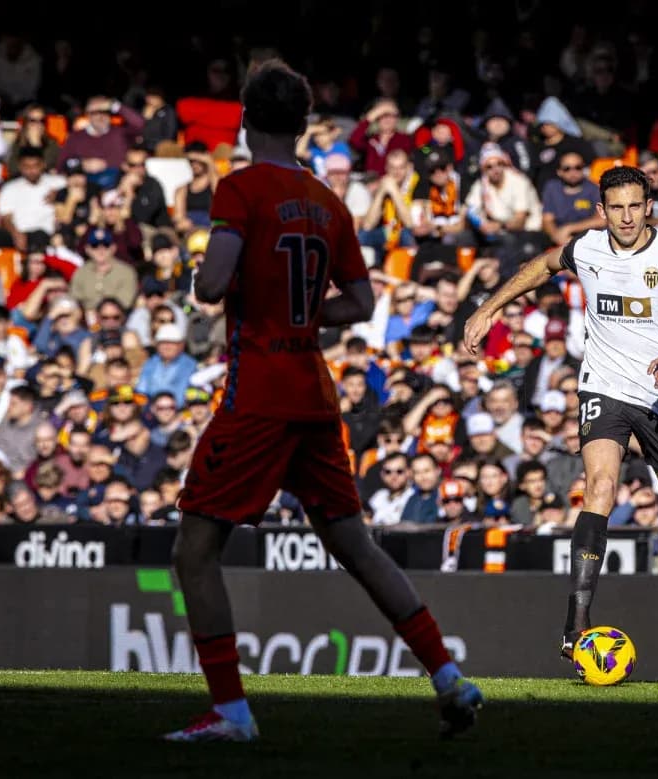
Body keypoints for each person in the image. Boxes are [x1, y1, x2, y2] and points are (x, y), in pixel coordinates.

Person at [165, 60, 481, 743]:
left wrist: (210, 271)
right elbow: (363, 303)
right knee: (354, 543)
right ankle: (448, 677)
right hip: (314, 389)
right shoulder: (328, 203)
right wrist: (305, 313)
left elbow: (212, 285)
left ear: (247, 122)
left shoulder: (241, 188)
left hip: (260, 393)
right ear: (302, 125)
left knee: (195, 548)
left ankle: (231, 710)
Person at [463, 165, 658, 680]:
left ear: (649, 207)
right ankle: (576, 625)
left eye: (635, 206)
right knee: (598, 487)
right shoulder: (588, 248)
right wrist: (490, 307)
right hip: (605, 388)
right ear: (602, 211)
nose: (625, 216)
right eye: (615, 207)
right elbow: (542, 265)